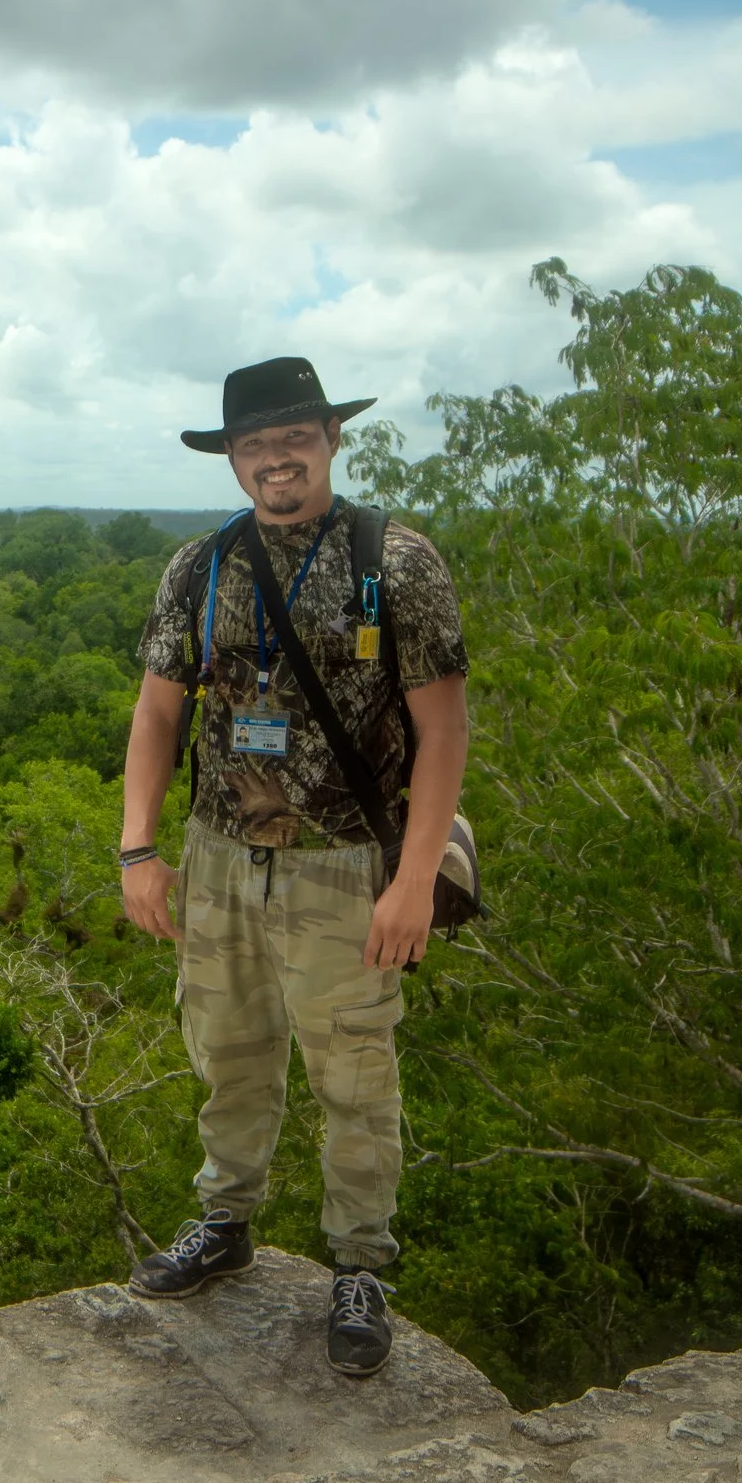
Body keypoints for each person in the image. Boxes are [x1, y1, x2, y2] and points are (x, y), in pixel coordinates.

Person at [116, 356, 470, 1377]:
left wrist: (411, 879)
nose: (276, 458)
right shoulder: (201, 567)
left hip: (345, 863)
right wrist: (138, 844)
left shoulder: (392, 561)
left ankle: (359, 1264)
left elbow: (441, 729)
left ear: (330, 440)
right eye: (254, 445)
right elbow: (156, 711)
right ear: (232, 459)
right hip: (219, 857)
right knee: (226, 1050)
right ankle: (224, 1218)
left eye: (294, 438)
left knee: (353, 1071)